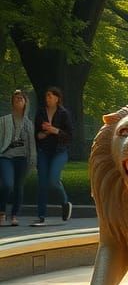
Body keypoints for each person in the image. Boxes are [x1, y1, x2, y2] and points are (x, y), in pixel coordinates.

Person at [31, 86, 73, 227]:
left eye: (50, 96)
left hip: (59, 151)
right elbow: (36, 134)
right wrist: (42, 134)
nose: (47, 98)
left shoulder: (63, 114)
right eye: (46, 96)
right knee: (42, 183)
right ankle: (41, 216)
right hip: (43, 151)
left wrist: (54, 130)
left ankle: (65, 202)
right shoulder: (41, 113)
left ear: (57, 98)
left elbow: (69, 136)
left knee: (53, 181)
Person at [0, 89, 36, 227]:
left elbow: (32, 145)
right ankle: (2, 212)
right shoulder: (4, 121)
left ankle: (14, 215)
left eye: (21, 98)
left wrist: (32, 161)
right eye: (16, 99)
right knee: (7, 184)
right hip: (6, 156)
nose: (19, 100)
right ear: (12, 103)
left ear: (26, 102)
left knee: (18, 186)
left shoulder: (28, 124)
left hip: (22, 158)